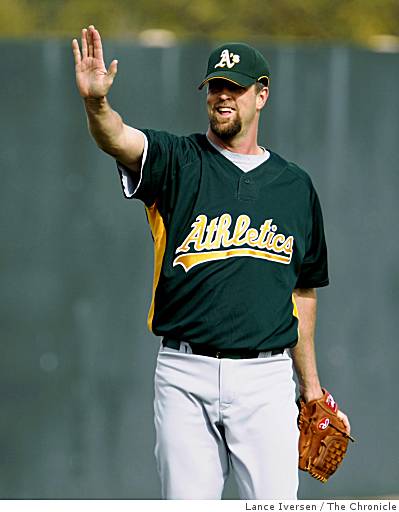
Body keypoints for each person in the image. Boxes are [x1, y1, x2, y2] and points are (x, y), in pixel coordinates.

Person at [72, 25, 351, 500]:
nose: (223, 97)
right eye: (215, 87)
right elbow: (118, 138)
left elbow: (303, 291)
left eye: (235, 88)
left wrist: (311, 388)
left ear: (261, 96)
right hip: (185, 374)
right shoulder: (178, 160)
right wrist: (96, 105)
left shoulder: (295, 187)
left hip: (265, 380)